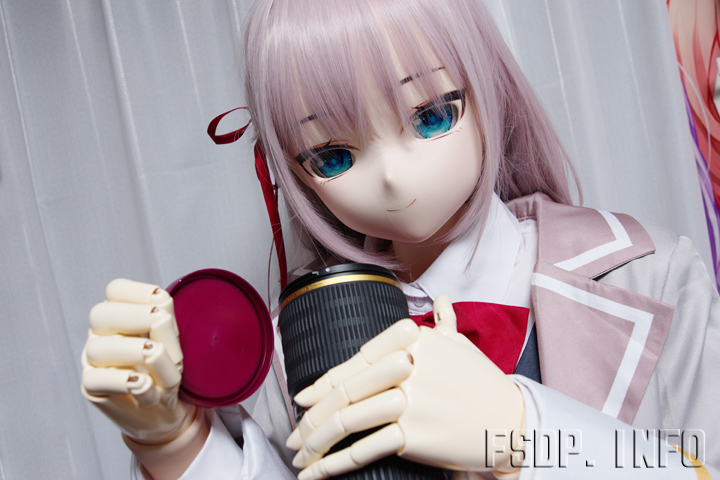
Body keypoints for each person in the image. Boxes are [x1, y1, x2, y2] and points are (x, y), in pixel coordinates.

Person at [81, 0, 720, 478]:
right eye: (332, 155)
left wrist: (524, 433)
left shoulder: (652, 272)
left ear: (488, 87)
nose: (392, 177)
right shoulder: (291, 348)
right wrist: (176, 445)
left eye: (432, 115)